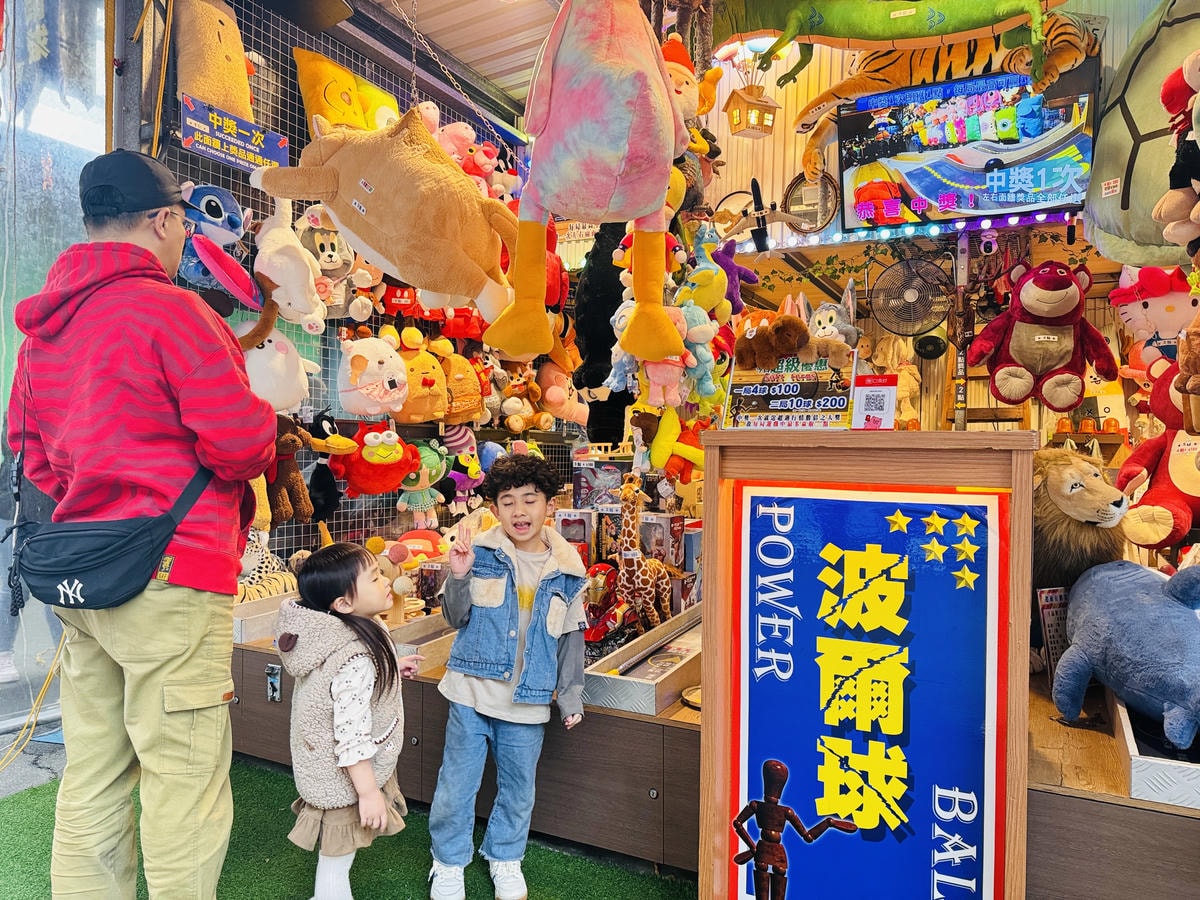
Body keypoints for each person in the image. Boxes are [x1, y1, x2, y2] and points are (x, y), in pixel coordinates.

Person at [5, 148, 277, 898]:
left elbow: (27, 454)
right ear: (163, 219)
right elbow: (240, 443)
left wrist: (94, 507)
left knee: (93, 769)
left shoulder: (42, 329)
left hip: (83, 578)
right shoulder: (175, 312)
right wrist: (268, 416)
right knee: (181, 781)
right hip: (172, 576)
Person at [427, 454, 588, 900]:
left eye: (529, 500)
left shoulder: (570, 570)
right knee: (457, 783)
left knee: (519, 788)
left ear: (547, 505)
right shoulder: (477, 552)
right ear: (494, 508)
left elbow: (570, 638)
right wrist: (458, 576)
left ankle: (504, 857)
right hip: (470, 691)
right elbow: (456, 616)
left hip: (529, 698)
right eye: (508, 501)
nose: (519, 512)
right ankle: (448, 862)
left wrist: (571, 696)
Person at [276, 542, 424, 900]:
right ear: (343, 604)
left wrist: (390, 671)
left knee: (340, 855)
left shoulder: (339, 630)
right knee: (336, 857)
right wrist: (369, 792)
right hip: (347, 773)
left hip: (336, 766)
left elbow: (340, 689)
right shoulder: (352, 658)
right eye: (374, 578)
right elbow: (351, 731)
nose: (385, 580)